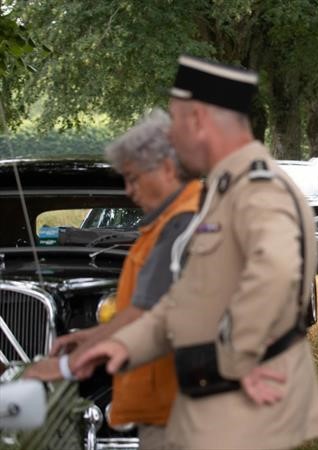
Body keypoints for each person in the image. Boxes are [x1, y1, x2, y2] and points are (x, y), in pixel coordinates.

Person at [74, 55, 318, 449]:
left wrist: (236, 361)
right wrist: (121, 344)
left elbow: (276, 271)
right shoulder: (226, 189)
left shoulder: (257, 188)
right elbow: (186, 300)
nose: (170, 139)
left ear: (198, 120)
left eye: (174, 123)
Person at [25, 109, 201, 449]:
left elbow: (143, 317)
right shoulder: (169, 224)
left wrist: (63, 367)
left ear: (166, 167)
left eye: (134, 178)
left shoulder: (183, 225)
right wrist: (91, 335)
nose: (130, 190)